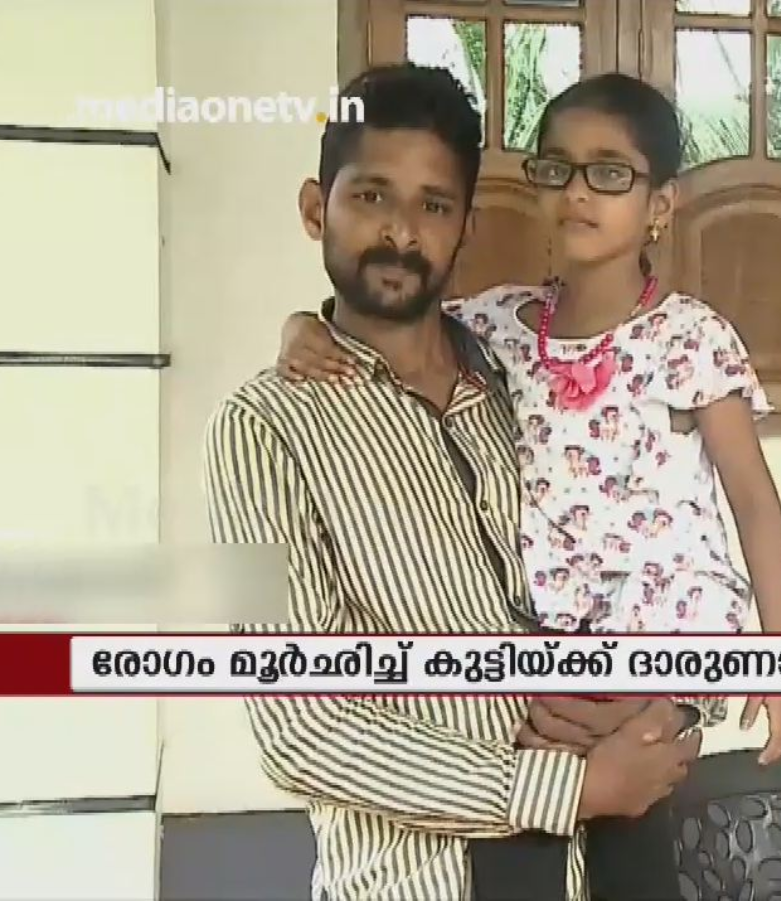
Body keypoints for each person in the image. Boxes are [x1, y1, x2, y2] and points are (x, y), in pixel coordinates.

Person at [202, 62, 720, 901]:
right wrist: (567, 787)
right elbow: (298, 727)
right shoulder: (262, 429)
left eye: (434, 205)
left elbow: (677, 536)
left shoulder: (530, 380)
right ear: (315, 209)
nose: (401, 232)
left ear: (466, 228)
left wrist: (675, 702)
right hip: (423, 881)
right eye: (371, 195)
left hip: (614, 863)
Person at [274, 71, 781, 765]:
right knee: (564, 796)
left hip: (668, 631)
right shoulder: (495, 324)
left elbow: (754, 501)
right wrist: (300, 325)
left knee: (639, 789)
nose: (578, 191)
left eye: (609, 173)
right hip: (545, 645)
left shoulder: (691, 338)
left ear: (660, 205)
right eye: (558, 168)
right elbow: (388, 323)